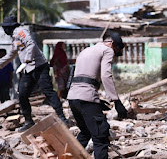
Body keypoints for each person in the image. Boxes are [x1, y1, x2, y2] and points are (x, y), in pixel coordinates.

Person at [0, 16, 68, 132]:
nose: (4, 30)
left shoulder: (21, 32)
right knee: (22, 94)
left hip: (39, 67)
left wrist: (26, 60)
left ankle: (62, 118)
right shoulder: (14, 37)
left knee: (48, 91)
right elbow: (10, 55)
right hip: (28, 70)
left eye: (5, 28)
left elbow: (31, 44)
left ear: (10, 27)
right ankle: (28, 121)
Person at [67, 31, 128, 159]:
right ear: (111, 44)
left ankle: (67, 156)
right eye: (116, 50)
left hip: (73, 97)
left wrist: (97, 101)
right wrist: (116, 101)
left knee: (85, 132)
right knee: (100, 135)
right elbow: (106, 76)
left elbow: (81, 76)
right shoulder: (107, 50)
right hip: (86, 97)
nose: (114, 55)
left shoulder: (86, 50)